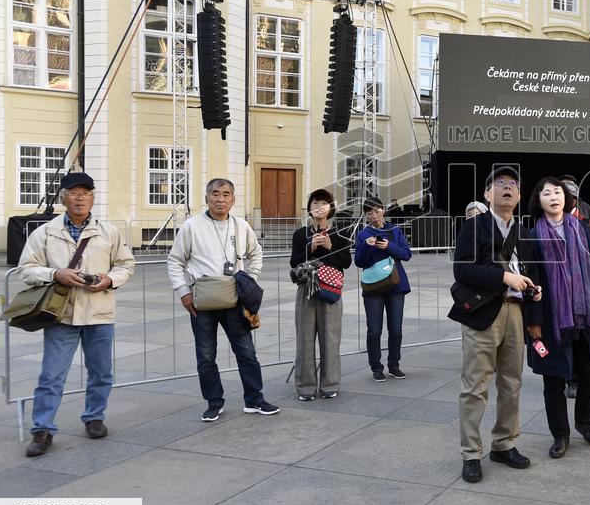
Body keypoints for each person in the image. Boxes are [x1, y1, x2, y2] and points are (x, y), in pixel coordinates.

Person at [18, 173, 136, 457]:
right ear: (63, 198)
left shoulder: (109, 232)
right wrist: (55, 273)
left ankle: (95, 417)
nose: (80, 197)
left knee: (101, 373)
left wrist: (109, 280)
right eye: (73, 192)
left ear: (93, 197)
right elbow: (26, 269)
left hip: (99, 314)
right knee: (51, 376)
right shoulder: (45, 232)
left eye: (85, 192)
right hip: (62, 315)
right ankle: (42, 429)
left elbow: (126, 264)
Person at [451, 167, 540, 483]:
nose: (507, 188)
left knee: (512, 383)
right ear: (487, 194)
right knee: (475, 386)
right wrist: (504, 277)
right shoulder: (474, 227)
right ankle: (471, 453)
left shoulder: (524, 231)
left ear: (518, 196)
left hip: (516, 311)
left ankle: (504, 444)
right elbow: (462, 270)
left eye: (513, 184)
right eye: (499, 183)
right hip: (483, 312)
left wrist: (532, 287)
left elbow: (530, 269)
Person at [167, 178, 279, 421]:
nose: (220, 199)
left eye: (226, 194)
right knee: (206, 356)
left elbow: (255, 252)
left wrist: (250, 278)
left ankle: (254, 399)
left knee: (246, 352)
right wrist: (183, 292)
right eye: (215, 194)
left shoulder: (241, 226)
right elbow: (175, 261)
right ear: (207, 198)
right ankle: (214, 401)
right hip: (203, 300)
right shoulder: (192, 226)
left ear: (233, 199)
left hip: (234, 298)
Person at [527, 177, 590, 459]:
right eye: (547, 193)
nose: (553, 197)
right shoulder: (533, 235)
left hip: (584, 314)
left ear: (566, 198)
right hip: (551, 318)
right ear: (538, 200)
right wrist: (534, 320)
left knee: (588, 374)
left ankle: (584, 422)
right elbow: (531, 280)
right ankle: (560, 434)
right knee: (553, 378)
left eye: (558, 192)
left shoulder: (583, 230)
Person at [290, 189, 352, 400]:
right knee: (305, 340)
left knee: (331, 339)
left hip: (330, 291)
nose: (319, 207)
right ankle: (305, 387)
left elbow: (346, 262)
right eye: (315, 203)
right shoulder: (301, 234)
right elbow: (294, 262)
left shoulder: (340, 233)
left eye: (324, 203)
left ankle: (330, 384)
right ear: (309, 208)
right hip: (306, 291)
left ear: (331, 208)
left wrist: (330, 246)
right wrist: (311, 247)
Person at [354, 197, 413, 381]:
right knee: (374, 329)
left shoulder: (394, 230)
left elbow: (406, 254)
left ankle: (394, 365)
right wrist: (366, 246)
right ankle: (376, 367)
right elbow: (359, 261)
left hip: (396, 283)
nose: (373, 215)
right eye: (369, 212)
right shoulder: (364, 234)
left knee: (396, 328)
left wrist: (389, 246)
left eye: (376, 210)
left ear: (383, 210)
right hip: (374, 285)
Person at [559, 174, 590, 398]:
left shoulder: (587, 225)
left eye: (570, 197)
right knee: (565, 340)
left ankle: (581, 379)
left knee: (584, 344)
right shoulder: (545, 226)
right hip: (560, 296)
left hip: (584, 294)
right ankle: (569, 378)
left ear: (576, 200)